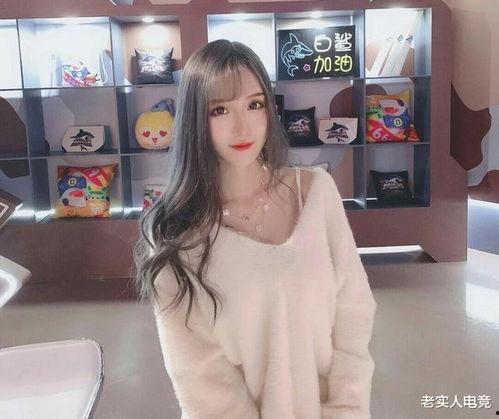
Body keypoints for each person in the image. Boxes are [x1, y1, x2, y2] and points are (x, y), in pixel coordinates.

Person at [134, 39, 377, 419]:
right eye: (219, 110)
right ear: (196, 119)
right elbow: (198, 373)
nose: (242, 125)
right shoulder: (173, 233)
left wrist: (346, 409)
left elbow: (354, 312)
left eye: (254, 104)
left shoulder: (315, 192)